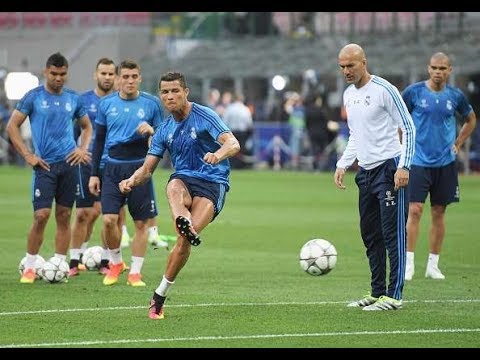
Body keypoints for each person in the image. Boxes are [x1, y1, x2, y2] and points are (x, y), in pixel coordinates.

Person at [118, 71, 240, 319]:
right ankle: (182, 221)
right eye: (165, 92)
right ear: (161, 95)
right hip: (184, 179)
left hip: (213, 182)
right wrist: (131, 180)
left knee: (185, 240)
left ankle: (160, 294)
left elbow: (233, 143)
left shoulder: (205, 115)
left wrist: (218, 155)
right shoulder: (163, 130)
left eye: (175, 91)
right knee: (173, 186)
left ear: (186, 92)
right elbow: (147, 169)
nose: (170, 96)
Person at [334, 44, 415, 310]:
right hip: (366, 173)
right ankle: (377, 291)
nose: (346, 71)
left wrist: (404, 166)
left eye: (351, 65)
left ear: (364, 62)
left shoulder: (385, 90)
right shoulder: (348, 95)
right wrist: (343, 163)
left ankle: (395, 295)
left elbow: (408, 127)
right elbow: (356, 134)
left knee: (393, 235)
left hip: (389, 169)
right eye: (342, 66)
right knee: (370, 234)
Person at [6, 52, 92, 284]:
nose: (58, 78)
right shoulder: (33, 97)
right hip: (44, 165)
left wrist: (82, 148)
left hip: (70, 165)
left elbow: (86, 127)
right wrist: (27, 155)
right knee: (41, 216)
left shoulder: (74, 98)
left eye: (62, 74)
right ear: (46, 72)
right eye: (54, 74)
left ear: (67, 73)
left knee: (64, 216)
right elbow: (12, 126)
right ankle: (31, 265)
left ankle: (58, 262)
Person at [88, 58, 164, 287]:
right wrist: (94, 173)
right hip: (112, 168)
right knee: (110, 220)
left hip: (141, 168)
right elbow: (98, 141)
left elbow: (162, 137)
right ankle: (117, 263)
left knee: (141, 224)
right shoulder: (107, 104)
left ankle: (135, 273)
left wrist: (151, 130)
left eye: (134, 76)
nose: (130, 81)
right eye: (125, 77)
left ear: (139, 78)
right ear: (118, 79)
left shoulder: (151, 104)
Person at [402, 52, 477, 280]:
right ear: (428, 68)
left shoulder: (455, 96)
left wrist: (458, 143)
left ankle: (433, 265)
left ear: (449, 71)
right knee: (414, 210)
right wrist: (402, 145)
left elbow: (470, 119)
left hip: (445, 162)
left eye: (442, 69)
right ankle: (409, 263)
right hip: (417, 161)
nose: (438, 72)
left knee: (439, 212)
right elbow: (399, 118)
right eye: (434, 67)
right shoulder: (414, 92)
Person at [69, 57, 119, 276]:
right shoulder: (83, 101)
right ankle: (73, 261)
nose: (107, 77)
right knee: (82, 213)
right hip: (87, 163)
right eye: (103, 73)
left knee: (106, 213)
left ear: (115, 76)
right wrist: (76, 150)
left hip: (112, 165)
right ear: (95, 75)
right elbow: (71, 132)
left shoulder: (120, 102)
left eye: (110, 74)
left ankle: (106, 261)